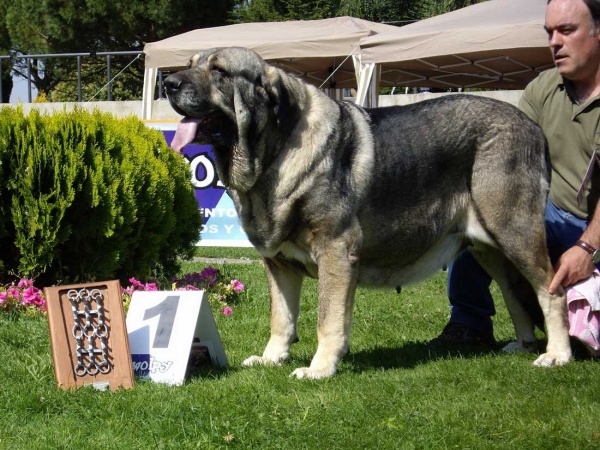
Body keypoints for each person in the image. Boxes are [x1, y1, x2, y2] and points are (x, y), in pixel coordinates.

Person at [428, 0, 600, 350]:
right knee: (472, 220)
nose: (554, 42)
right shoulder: (542, 88)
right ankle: (468, 323)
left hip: (593, 232)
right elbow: (507, 157)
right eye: (549, 33)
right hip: (549, 216)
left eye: (566, 30)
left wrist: (586, 248)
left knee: (587, 335)